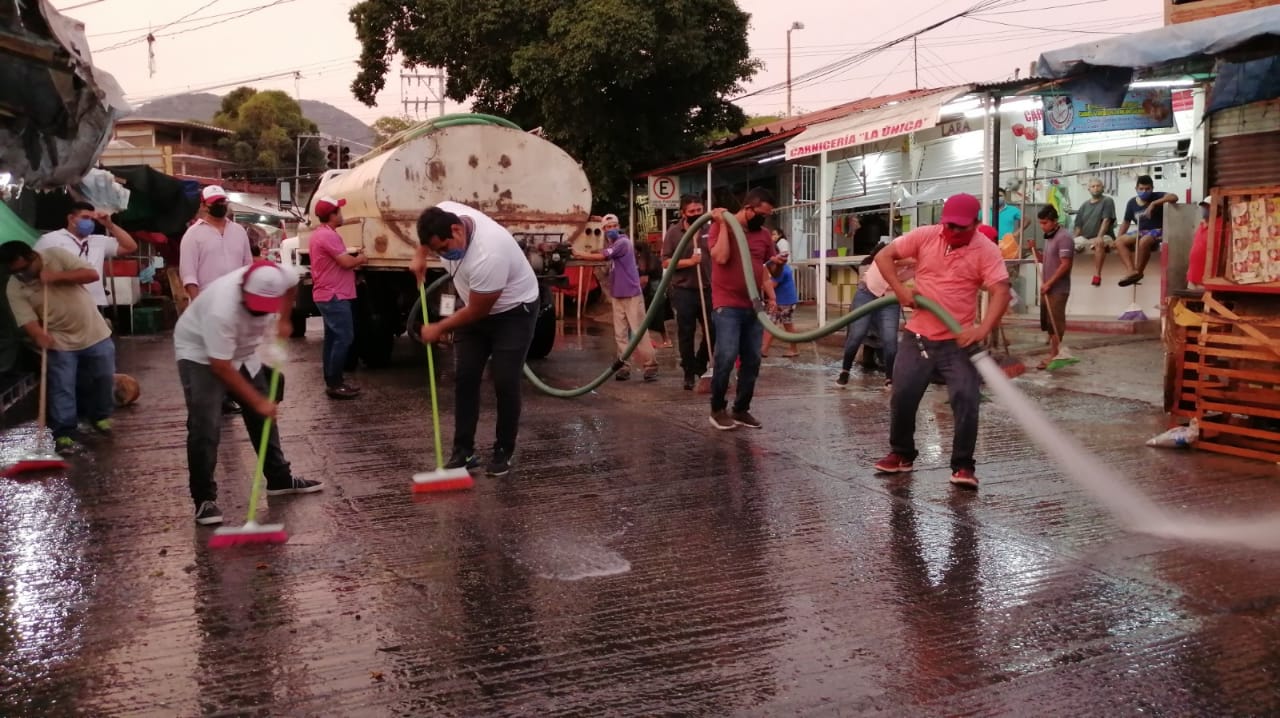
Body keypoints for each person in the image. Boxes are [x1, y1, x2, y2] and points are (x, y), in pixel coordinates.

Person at [871, 193, 1011, 490]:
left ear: (976, 224)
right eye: (949, 225)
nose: (953, 231)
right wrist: (900, 289)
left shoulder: (985, 250)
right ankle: (902, 454)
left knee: (966, 399)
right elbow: (884, 256)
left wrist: (982, 329)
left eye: (961, 227)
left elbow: (1001, 291)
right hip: (918, 335)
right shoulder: (925, 236)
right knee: (903, 395)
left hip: (957, 340)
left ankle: (963, 466)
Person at [174, 259, 323, 525]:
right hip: (200, 353)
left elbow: (292, 285)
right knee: (206, 425)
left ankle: (279, 478)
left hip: (243, 350)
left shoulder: (280, 275)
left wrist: (285, 319)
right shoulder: (221, 309)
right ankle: (204, 500)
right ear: (243, 291)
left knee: (263, 416)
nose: (260, 313)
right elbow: (221, 367)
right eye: (254, 307)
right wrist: (256, 401)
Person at [411, 202, 541, 477]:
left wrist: (440, 326)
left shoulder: (488, 253)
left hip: (513, 311)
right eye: (437, 251)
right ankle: (464, 452)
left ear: (457, 229)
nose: (443, 254)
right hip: (475, 304)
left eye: (443, 249)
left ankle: (503, 450)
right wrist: (420, 255)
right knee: (465, 376)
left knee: (505, 380)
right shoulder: (443, 214)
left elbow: (477, 311)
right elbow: (427, 237)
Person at [1, 242, 117, 454]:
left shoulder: (56, 255)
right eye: (16, 272)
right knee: (62, 386)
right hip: (59, 339)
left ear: (33, 257)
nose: (22, 275)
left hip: (93, 331)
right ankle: (64, 433)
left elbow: (91, 275)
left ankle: (100, 416)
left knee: (103, 377)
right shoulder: (14, 287)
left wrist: (55, 277)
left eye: (24, 269)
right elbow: (26, 318)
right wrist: (38, 334)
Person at [707, 188, 778, 431]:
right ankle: (717, 409)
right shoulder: (719, 227)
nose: (763, 220)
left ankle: (741, 409)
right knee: (726, 356)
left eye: (767, 216)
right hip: (726, 305)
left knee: (753, 358)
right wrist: (725, 225)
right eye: (761, 214)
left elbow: (765, 267)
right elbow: (722, 257)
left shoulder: (764, 235)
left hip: (753, 304)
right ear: (748, 209)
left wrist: (772, 292)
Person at [180, 185, 254, 415]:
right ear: (204, 205)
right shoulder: (193, 235)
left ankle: (229, 396)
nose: (221, 205)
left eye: (223, 201)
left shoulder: (239, 231)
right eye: (215, 202)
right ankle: (216, 399)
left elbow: (248, 267)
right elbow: (188, 273)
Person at [573, 213, 658, 382]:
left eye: (614, 226)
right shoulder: (611, 243)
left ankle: (650, 365)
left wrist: (580, 254)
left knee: (638, 330)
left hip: (631, 294)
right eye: (607, 227)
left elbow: (603, 256)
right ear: (603, 230)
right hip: (618, 294)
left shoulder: (623, 243)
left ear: (618, 227)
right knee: (620, 334)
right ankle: (624, 366)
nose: (611, 230)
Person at [308, 195, 367, 399]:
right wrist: (360, 258)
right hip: (334, 295)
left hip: (329, 293)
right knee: (344, 337)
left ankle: (332, 380)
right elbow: (345, 263)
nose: (342, 214)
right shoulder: (328, 236)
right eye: (339, 211)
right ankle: (335, 383)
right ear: (332, 215)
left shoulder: (321, 234)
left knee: (333, 339)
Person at [35, 200, 138, 311]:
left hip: (94, 303)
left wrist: (110, 226)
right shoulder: (50, 239)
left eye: (92, 219)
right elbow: (34, 267)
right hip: (64, 303)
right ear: (71, 218)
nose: (89, 222)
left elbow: (130, 247)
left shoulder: (99, 241)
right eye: (85, 217)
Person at [837, 241, 914, 388]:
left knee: (890, 339)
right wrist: (914, 259)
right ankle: (845, 371)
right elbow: (887, 259)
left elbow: (900, 279)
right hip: (866, 293)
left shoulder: (917, 262)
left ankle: (890, 379)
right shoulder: (899, 247)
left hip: (889, 297)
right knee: (857, 334)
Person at [661, 195, 715, 390]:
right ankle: (688, 373)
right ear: (683, 213)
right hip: (684, 290)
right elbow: (666, 261)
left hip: (708, 288)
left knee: (714, 329)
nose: (696, 214)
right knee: (686, 333)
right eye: (691, 211)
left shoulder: (710, 230)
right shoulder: (674, 233)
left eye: (699, 210)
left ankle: (700, 364)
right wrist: (689, 262)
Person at [1115, 174, 1178, 287]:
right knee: (1119, 241)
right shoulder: (1131, 203)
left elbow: (1174, 197)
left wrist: (1154, 203)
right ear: (1136, 188)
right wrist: (1118, 238)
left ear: (1152, 188)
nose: (1144, 191)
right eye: (1141, 189)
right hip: (1141, 230)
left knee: (1144, 241)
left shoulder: (1157, 196)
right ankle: (1131, 271)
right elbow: (1126, 222)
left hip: (1159, 230)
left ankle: (1139, 272)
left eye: (1148, 189)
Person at [1035, 205, 1074, 369]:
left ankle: (1055, 354)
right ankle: (1054, 353)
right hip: (1048, 287)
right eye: (1041, 223)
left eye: (1045, 223)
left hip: (1058, 289)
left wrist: (1050, 283)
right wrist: (1036, 253)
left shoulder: (1064, 237)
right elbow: (1047, 260)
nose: (1042, 226)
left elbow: (1065, 265)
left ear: (1054, 221)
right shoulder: (1050, 237)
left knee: (1056, 323)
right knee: (1050, 324)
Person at [1075, 178, 1117, 286]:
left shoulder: (1107, 201)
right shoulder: (1084, 205)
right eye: (1093, 186)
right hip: (1086, 238)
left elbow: (1106, 220)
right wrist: (1072, 239)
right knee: (1067, 244)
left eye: (1098, 186)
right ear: (1088, 189)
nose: (1096, 188)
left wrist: (1099, 236)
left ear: (1103, 188)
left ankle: (1097, 275)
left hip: (1105, 236)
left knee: (1099, 243)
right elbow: (1078, 227)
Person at [760, 252, 798, 358]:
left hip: (783, 301)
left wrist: (762, 283)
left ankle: (763, 350)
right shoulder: (781, 267)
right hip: (788, 300)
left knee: (770, 324)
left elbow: (771, 285)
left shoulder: (780, 270)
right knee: (788, 325)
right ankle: (793, 349)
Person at [1187, 198, 1211, 289]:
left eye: (1208, 207)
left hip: (1206, 280)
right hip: (1193, 277)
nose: (1204, 210)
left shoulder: (1222, 227)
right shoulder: (1201, 225)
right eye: (1203, 207)